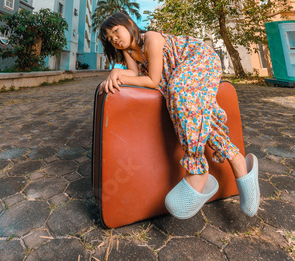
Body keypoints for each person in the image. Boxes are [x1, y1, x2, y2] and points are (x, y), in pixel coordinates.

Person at [98, 12, 260, 220]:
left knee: (176, 91)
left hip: (200, 58)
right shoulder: (129, 51)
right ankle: (239, 162)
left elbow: (153, 81)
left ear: (129, 23)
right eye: (110, 39)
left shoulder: (151, 39)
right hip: (181, 76)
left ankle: (197, 168)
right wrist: (115, 73)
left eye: (116, 31)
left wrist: (122, 78)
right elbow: (134, 74)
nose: (115, 39)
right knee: (194, 113)